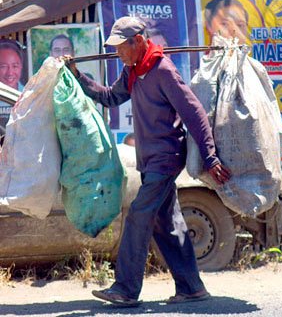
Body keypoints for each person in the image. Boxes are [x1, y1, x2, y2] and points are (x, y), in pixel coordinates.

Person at [65, 16, 231, 307]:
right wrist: (77, 75)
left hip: (166, 159)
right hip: (150, 160)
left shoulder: (162, 70)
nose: (118, 53)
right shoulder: (132, 70)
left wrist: (211, 156)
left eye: (121, 47)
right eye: (115, 47)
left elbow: (195, 114)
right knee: (165, 222)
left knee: (139, 215)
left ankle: (126, 289)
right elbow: (109, 97)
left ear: (138, 42)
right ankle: (191, 287)